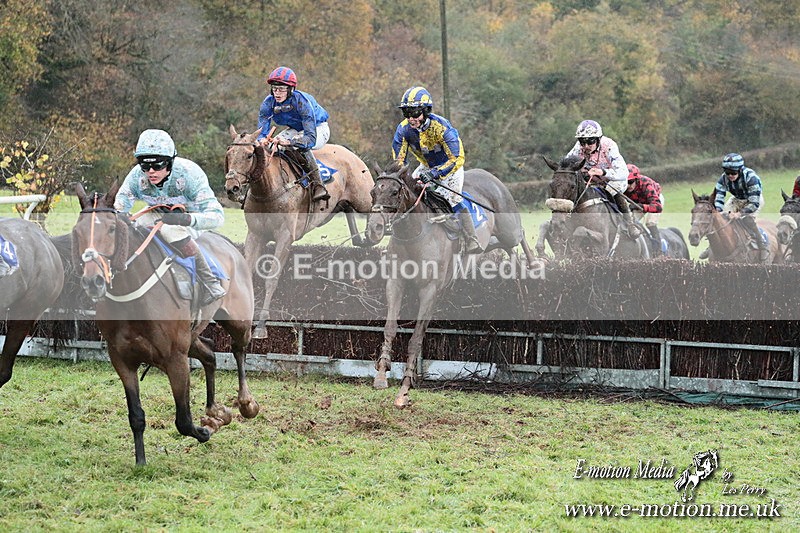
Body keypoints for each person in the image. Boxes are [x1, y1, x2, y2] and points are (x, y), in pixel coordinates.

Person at [114, 129, 227, 305]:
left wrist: (186, 220)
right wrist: (120, 215)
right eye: (145, 166)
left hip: (189, 216)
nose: (150, 172)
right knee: (132, 228)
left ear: (170, 163)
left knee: (170, 230)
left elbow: (218, 217)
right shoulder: (137, 175)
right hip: (156, 212)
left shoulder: (190, 174)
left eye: (157, 166)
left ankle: (210, 281)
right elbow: (120, 204)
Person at [392, 85, 482, 254]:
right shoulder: (403, 130)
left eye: (415, 113)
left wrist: (434, 174)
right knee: (406, 194)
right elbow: (399, 160)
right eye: (407, 113)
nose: (411, 118)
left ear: (426, 111)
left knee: (453, 198)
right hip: (426, 166)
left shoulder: (441, 127)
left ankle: (472, 239)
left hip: (451, 167)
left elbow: (456, 158)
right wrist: (399, 176)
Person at [256, 66, 331, 202]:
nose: (277, 93)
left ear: (290, 89)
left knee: (298, 144)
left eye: (282, 89)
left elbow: (310, 138)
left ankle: (318, 185)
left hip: (317, 128)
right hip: (296, 129)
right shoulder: (268, 103)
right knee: (272, 146)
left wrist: (290, 142)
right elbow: (262, 131)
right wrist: (261, 140)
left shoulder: (302, 101)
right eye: (274, 88)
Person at [566, 119, 641, 239]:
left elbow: (623, 172)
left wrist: (603, 172)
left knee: (612, 190)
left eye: (590, 141)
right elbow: (567, 164)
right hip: (592, 180)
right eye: (582, 141)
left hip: (613, 180)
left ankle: (629, 223)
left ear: (598, 139)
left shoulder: (609, 146)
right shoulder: (578, 147)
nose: (586, 146)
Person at [705, 152, 767, 261]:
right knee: (721, 220)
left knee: (747, 220)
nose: (730, 175)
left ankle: (761, 244)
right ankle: (711, 247)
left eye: (733, 172)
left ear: (740, 170)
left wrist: (739, 214)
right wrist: (718, 211)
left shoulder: (751, 178)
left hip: (753, 199)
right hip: (736, 199)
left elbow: (754, 203)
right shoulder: (723, 179)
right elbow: (719, 197)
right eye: (727, 172)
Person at [626, 163, 664, 256]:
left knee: (650, 223)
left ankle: (659, 252)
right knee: (631, 221)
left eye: (631, 182)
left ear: (636, 179)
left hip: (655, 201)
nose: (628, 186)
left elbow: (657, 207)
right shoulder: (623, 187)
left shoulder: (646, 184)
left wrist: (642, 207)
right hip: (639, 203)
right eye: (626, 182)